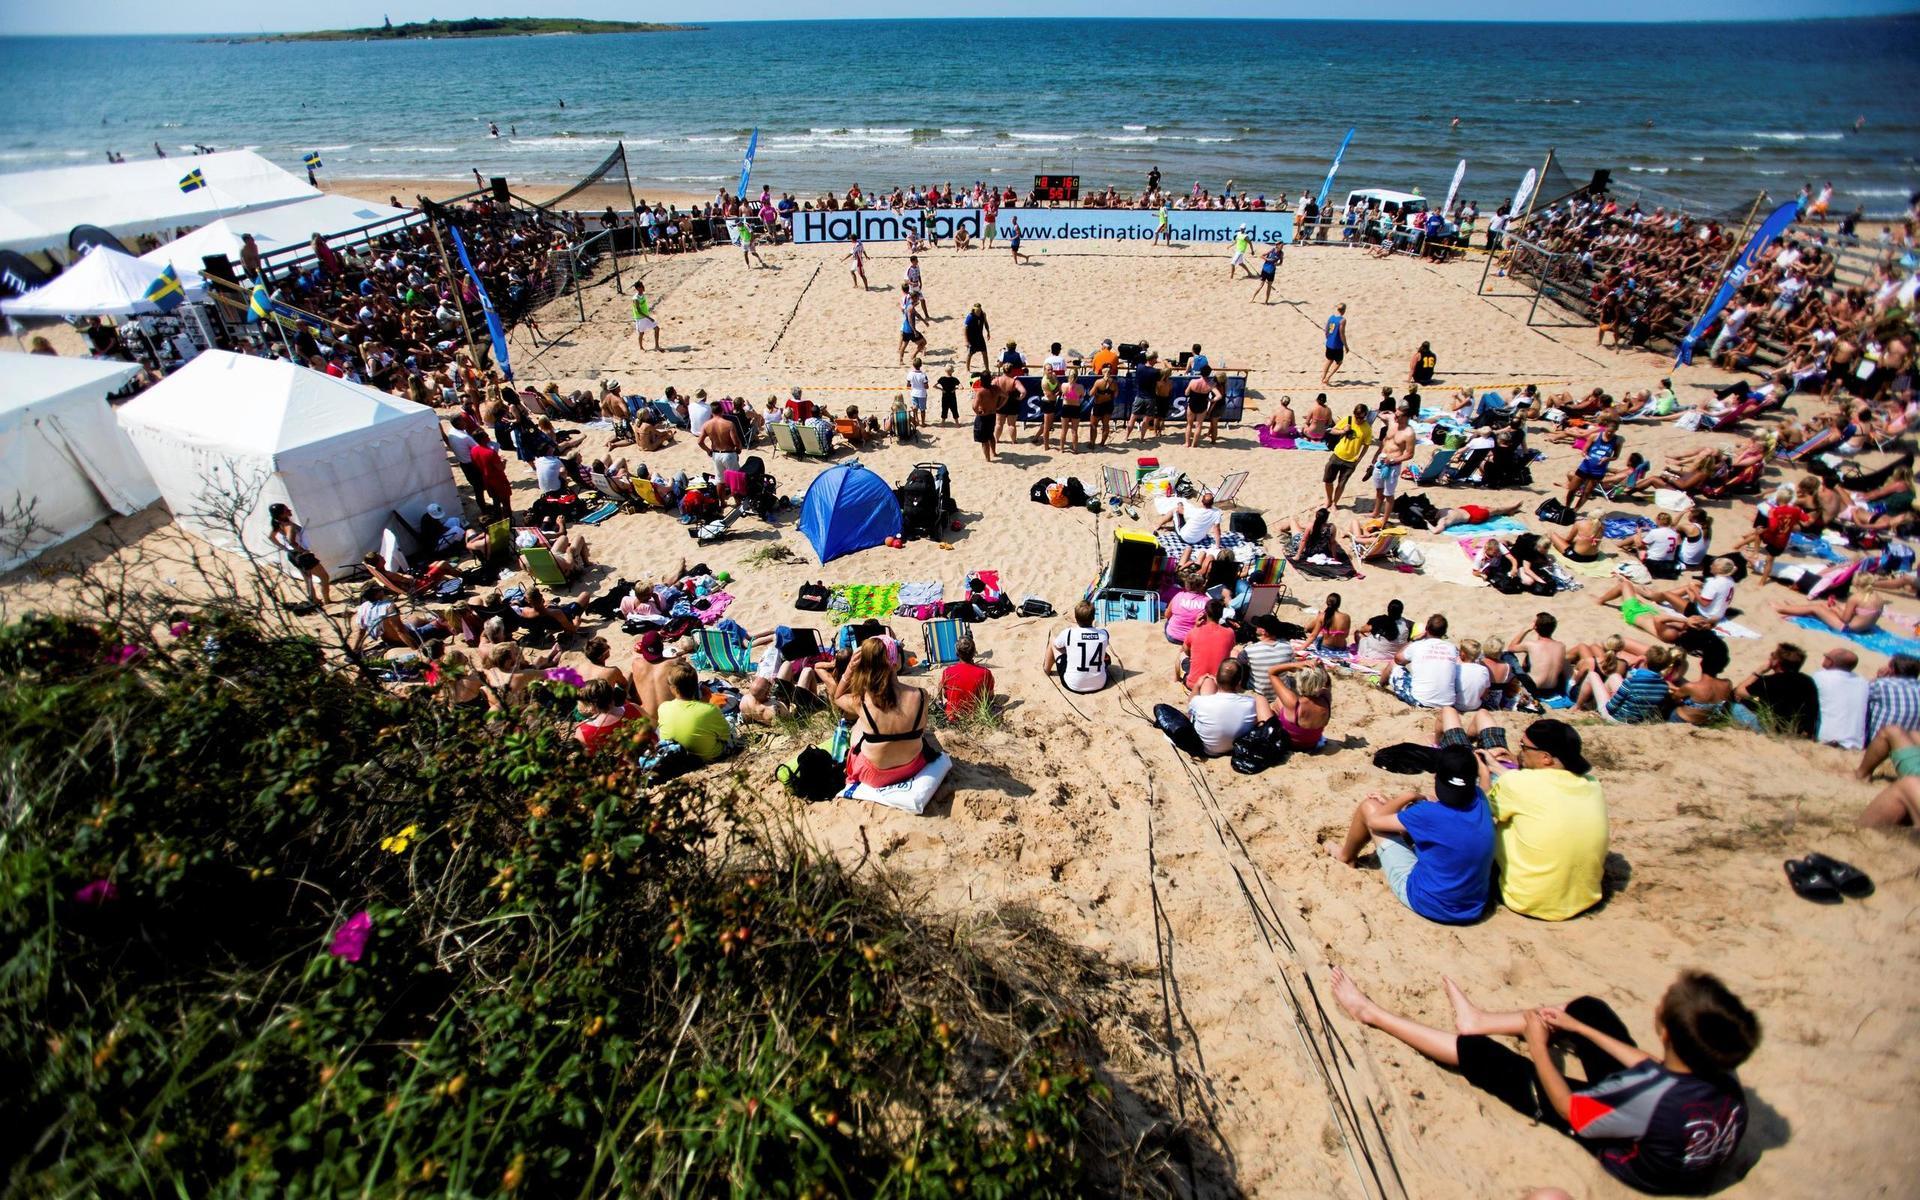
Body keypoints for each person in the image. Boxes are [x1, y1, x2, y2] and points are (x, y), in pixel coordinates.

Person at [1328, 968, 1760, 1195]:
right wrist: (1581, 1028)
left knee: (1483, 1057)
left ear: (1666, 1033)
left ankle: (1372, 1013)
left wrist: (1537, 1047)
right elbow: (1651, 1066)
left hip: (1632, 1156)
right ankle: (1479, 1019)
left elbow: (1570, 1109)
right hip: (1663, 1126)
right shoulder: (1723, 1079)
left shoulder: (1645, 1096)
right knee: (1592, 1011)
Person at [1329, 744, 1493, 924]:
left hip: (1427, 901)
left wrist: (1408, 796)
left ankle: (1346, 857)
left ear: (1436, 776)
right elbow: (1484, 787)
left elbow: (1374, 821)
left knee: (1368, 807)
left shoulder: (1427, 814)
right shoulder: (1480, 799)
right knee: (1423, 825)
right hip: (1472, 907)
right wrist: (1483, 768)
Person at [1479, 717, 1608, 921]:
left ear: (1546, 758)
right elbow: (1534, 788)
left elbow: (1481, 813)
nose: (1519, 752)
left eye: (1524, 747)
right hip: (1583, 898)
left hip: (1525, 899)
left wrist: (1485, 772)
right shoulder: (1592, 784)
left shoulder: (1518, 784)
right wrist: (1497, 767)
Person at [835, 638, 933, 786]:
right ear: (897, 662)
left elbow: (838, 697)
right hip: (913, 766)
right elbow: (922, 729)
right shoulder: (921, 695)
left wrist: (849, 669)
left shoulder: (862, 701)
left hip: (873, 775)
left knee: (860, 724)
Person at [1178, 659, 1271, 757]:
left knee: (1207, 682)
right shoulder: (1251, 703)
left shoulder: (1200, 702)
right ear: (1239, 682)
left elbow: (1191, 703)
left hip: (1208, 749)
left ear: (1217, 679)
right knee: (1260, 701)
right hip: (1238, 747)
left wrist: (1197, 685)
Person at [1731, 642, 1818, 738]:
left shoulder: (1770, 681)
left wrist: (1759, 671)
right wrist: (1754, 698)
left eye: (1773, 654)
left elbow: (1739, 691)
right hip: (1795, 731)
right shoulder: (1808, 681)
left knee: (1734, 706)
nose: (1770, 656)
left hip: (1770, 728)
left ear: (1776, 662)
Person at [655, 661, 733, 762]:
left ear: (673, 688)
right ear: (695, 686)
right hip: (709, 757)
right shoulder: (709, 710)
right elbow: (726, 736)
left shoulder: (663, 708)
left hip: (676, 758)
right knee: (729, 721)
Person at [267, 503, 331, 607]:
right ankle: (327, 600)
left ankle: (314, 600)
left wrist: (284, 548)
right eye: (286, 510)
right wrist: (302, 550)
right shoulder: (289, 526)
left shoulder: (278, 524)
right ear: (281, 514)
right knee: (324, 576)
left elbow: (271, 537)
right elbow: (291, 541)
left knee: (308, 578)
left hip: (292, 555)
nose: (289, 510)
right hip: (301, 555)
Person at [1392, 614, 1459, 708]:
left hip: (1421, 700)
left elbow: (1398, 659)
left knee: (1395, 667)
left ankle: (1380, 684)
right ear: (1444, 632)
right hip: (1447, 703)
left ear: (1426, 629)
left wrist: (1413, 641)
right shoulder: (1452, 648)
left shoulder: (1417, 645)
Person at [1810, 647, 1869, 750]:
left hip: (1826, 740)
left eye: (1826, 657)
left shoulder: (1821, 676)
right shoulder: (1863, 682)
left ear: (1830, 662)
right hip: (1856, 745)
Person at [1047, 600, 1111, 694]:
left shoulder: (1069, 633)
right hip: (1100, 684)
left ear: (1076, 618)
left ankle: (1046, 669)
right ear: (1093, 618)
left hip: (1074, 685)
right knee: (1105, 656)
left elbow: (1057, 644)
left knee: (1053, 641)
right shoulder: (1104, 634)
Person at [1178, 598, 1238, 693]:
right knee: (1234, 653)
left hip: (1194, 685)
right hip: (1219, 686)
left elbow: (1186, 651)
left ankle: (1175, 679)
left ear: (1206, 613)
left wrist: (1196, 626)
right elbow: (1229, 648)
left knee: (1181, 655)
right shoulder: (1230, 633)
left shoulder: (1194, 632)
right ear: (1221, 614)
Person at [1320, 402, 1372, 508]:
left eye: (1361, 417)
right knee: (1328, 479)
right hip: (1338, 454)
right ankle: (1329, 500)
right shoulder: (1348, 419)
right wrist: (1343, 431)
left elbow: (1366, 445)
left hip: (1351, 460)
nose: (1358, 419)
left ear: (1365, 416)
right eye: (1357, 417)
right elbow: (1332, 431)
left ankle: (1335, 503)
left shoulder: (1367, 429)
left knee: (1342, 483)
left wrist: (1359, 459)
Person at [575, 679, 649, 753]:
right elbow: (655, 731)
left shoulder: (583, 730)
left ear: (590, 705)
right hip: (646, 761)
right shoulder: (634, 708)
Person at [1269, 664, 1331, 751]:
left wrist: (1294, 665)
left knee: (1271, 700)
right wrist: (1321, 667)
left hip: (1289, 745)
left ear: (1299, 681)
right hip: (1312, 745)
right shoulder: (1326, 698)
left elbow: (1272, 672)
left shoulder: (1293, 703)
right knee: (1282, 702)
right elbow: (1328, 683)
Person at [1508, 611, 1569, 697]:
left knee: (1507, 655)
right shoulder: (1561, 646)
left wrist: (1525, 630)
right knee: (1531, 655)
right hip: (1552, 690)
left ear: (1535, 627)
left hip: (1533, 688)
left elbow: (1511, 648)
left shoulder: (1531, 645)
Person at [1159, 491, 1223, 567]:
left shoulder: (1195, 511)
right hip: (1198, 539)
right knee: (1188, 521)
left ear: (1202, 502)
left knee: (1175, 510)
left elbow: (1180, 510)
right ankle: (1173, 526)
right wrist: (1217, 546)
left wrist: (1180, 504)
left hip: (1184, 537)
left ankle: (1158, 525)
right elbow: (1217, 530)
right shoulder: (1217, 513)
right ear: (1212, 503)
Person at [939, 635, 995, 722]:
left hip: (952, 717)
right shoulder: (985, 673)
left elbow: (946, 695)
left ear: (957, 654)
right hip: (977, 716)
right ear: (974, 653)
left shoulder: (947, 672)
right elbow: (990, 697)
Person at [696, 407, 743, 484]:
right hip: (728, 454)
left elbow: (699, 442)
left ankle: (721, 496)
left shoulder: (706, 425)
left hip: (716, 454)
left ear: (712, 412)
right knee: (735, 480)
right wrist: (738, 449)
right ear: (722, 411)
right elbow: (736, 442)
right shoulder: (729, 424)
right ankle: (737, 496)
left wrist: (708, 451)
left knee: (720, 481)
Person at [1320, 302, 1349, 387]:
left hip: (1329, 343)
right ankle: (1327, 378)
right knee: (1339, 362)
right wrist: (1346, 346)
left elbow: (1326, 330)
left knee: (1329, 360)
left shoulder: (1331, 317)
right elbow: (1342, 333)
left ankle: (1322, 377)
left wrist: (1328, 338)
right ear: (1343, 310)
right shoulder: (1342, 320)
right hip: (1337, 345)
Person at [631, 281, 661, 352]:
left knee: (657, 329)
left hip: (646, 316)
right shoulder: (635, 299)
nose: (643, 287)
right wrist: (649, 318)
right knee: (641, 333)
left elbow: (644, 306)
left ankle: (657, 346)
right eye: (641, 286)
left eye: (643, 285)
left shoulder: (643, 295)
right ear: (638, 288)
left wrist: (649, 312)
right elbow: (639, 311)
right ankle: (641, 348)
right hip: (640, 318)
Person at [963, 303, 991, 373]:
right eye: (977, 310)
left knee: (984, 352)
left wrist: (988, 332)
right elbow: (965, 329)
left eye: (979, 310)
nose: (978, 311)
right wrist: (966, 340)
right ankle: (967, 369)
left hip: (980, 336)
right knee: (970, 353)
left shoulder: (983, 314)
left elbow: (986, 323)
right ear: (974, 310)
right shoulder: (970, 317)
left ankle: (987, 369)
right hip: (972, 338)